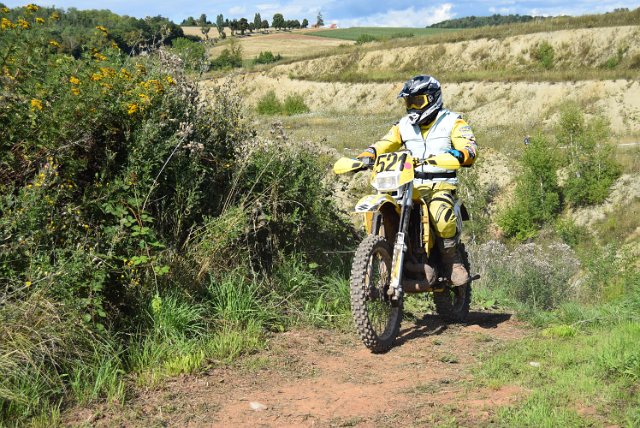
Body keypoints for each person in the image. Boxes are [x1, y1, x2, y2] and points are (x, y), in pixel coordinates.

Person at [357, 75, 478, 287]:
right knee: (388, 209)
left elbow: (469, 146)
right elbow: (386, 142)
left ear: (433, 99)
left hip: (439, 186)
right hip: (409, 185)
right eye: (409, 102)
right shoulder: (403, 125)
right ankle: (387, 256)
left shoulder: (453, 121)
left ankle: (451, 260)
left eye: (418, 101)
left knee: (440, 213)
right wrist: (370, 153)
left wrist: (463, 153)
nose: (413, 107)